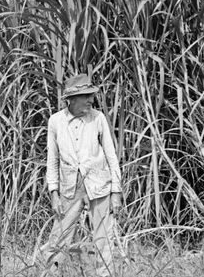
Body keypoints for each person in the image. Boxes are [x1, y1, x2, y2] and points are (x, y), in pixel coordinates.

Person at [40, 74, 123, 276]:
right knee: (59, 237)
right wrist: (54, 193)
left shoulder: (98, 118)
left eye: (91, 95)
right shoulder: (56, 122)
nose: (90, 100)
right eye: (85, 96)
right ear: (71, 99)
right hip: (70, 187)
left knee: (104, 238)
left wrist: (116, 192)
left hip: (99, 184)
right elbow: (52, 160)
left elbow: (112, 156)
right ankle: (50, 273)